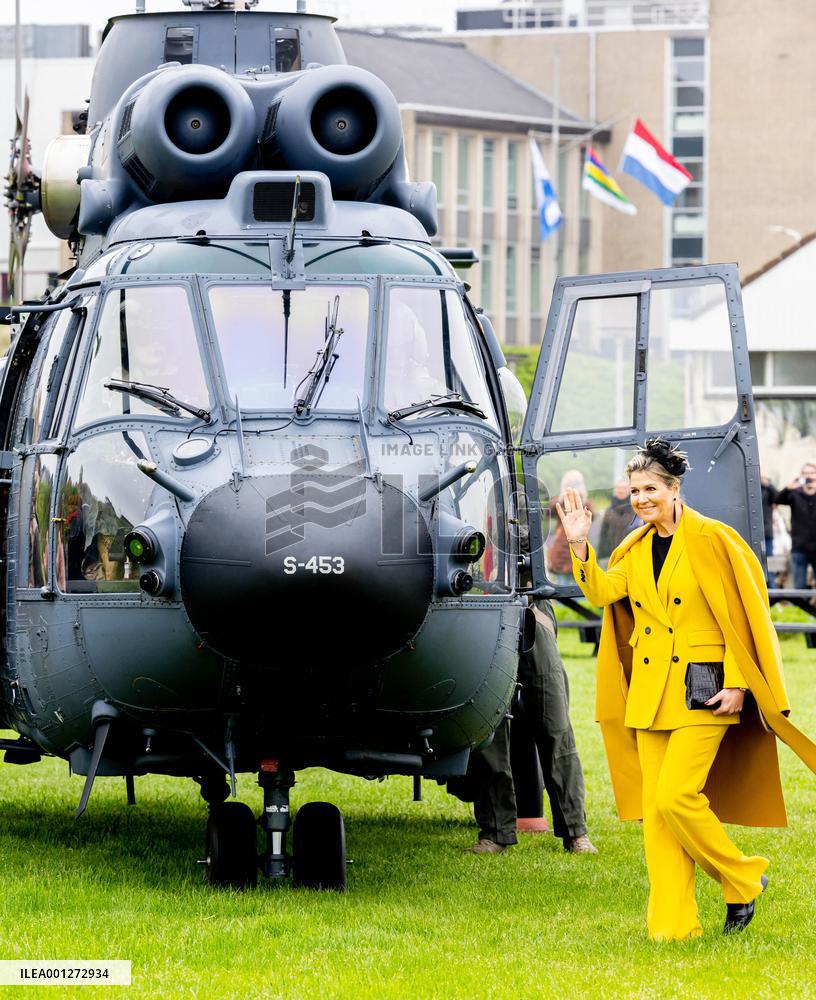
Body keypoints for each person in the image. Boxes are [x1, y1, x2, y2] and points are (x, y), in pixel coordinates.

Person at [556, 437, 816, 940]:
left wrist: (740, 684)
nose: (641, 498)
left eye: (650, 488)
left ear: (675, 488)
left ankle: (741, 875)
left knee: (677, 796)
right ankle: (673, 926)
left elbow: (745, 613)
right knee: (658, 816)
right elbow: (605, 594)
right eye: (634, 490)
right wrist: (579, 544)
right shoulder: (632, 547)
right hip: (650, 697)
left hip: (708, 691)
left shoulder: (715, 539)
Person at [772, 463, 816, 590]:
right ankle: (802, 609)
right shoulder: (795, 494)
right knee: (799, 587)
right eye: (806, 473)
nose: (809, 476)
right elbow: (777, 500)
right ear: (801, 476)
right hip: (799, 548)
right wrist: (788, 487)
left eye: (812, 473)